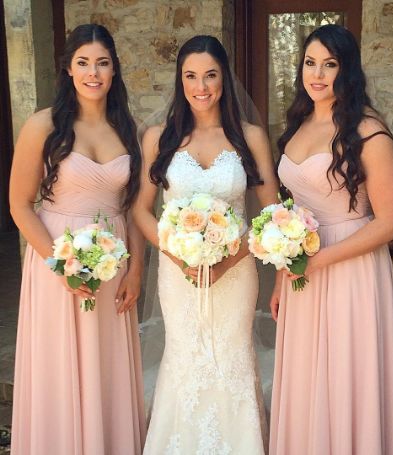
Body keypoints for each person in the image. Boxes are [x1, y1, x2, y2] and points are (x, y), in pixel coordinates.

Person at [133, 35, 279, 454]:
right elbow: (142, 210)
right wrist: (175, 253)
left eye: (210, 75)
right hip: (178, 274)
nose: (201, 86)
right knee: (184, 359)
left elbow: (271, 216)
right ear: (180, 80)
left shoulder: (249, 136)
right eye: (191, 76)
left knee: (230, 358)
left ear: (224, 79)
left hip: (235, 273)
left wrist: (229, 259)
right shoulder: (158, 138)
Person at [9, 24, 146, 455]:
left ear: (114, 70)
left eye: (102, 63)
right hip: (57, 261)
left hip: (114, 264)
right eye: (83, 63)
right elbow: (19, 205)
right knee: (59, 367)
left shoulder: (129, 128)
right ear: (68, 69)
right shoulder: (43, 125)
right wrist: (60, 266)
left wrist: (137, 269)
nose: (93, 73)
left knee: (106, 366)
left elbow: (133, 207)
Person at [269, 24, 393, 455]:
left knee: (346, 373)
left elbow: (392, 221)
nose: (318, 74)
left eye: (330, 64)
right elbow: (290, 207)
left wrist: (321, 260)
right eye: (310, 63)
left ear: (347, 71)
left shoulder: (367, 131)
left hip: (351, 267)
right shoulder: (299, 122)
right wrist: (281, 276)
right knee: (308, 375)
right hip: (301, 269)